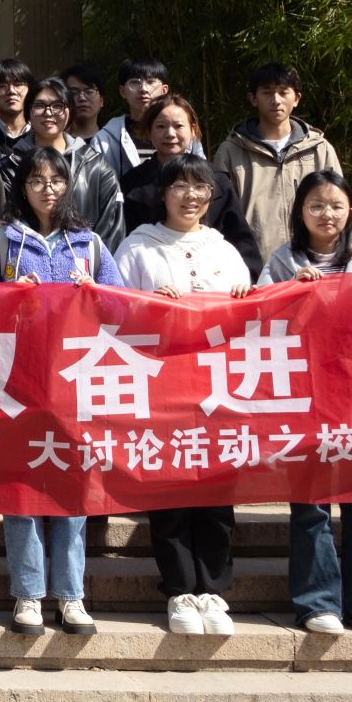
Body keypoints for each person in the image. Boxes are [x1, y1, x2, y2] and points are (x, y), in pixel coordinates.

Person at [0, 146, 122, 637]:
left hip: (76, 383)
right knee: (23, 490)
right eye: (37, 180)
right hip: (18, 383)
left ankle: (71, 596)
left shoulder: (88, 243)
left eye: (56, 180)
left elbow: (121, 308)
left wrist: (92, 291)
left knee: (73, 489)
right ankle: (28, 594)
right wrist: (9, 294)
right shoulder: (0, 240)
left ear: (68, 185)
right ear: (23, 187)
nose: (47, 188)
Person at [114, 155, 252, 637]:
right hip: (162, 390)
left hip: (217, 391)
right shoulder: (138, 247)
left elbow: (251, 317)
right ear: (163, 192)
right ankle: (178, 591)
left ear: (212, 196)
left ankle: (213, 590)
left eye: (200, 187)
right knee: (170, 492)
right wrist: (148, 306)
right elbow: (113, 311)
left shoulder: (224, 249)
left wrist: (243, 297)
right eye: (180, 186)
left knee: (216, 492)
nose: (190, 196)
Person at [253, 171, 352, 636]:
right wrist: (290, 290)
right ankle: (317, 603)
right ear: (300, 212)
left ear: (350, 212)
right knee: (311, 505)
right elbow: (257, 312)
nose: (326, 214)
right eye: (315, 205)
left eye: (335, 205)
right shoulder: (283, 259)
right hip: (305, 397)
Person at [120, 94, 263, 278]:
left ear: (193, 129)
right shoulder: (133, 182)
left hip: (213, 277)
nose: (170, 134)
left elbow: (239, 238)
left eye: (178, 126)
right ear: (149, 130)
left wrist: (248, 281)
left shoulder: (216, 180)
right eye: (161, 126)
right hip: (154, 279)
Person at [212, 63, 344, 254]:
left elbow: (339, 206)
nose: (276, 100)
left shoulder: (319, 149)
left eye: (283, 92)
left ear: (296, 98)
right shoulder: (231, 151)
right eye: (267, 93)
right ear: (253, 98)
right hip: (252, 262)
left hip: (312, 259)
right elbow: (219, 214)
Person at [9, 78, 125, 249]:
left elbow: (112, 227)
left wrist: (93, 261)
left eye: (58, 106)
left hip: (86, 262)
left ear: (70, 111)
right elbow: (6, 223)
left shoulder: (96, 165)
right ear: (28, 112)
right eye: (40, 105)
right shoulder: (11, 165)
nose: (48, 113)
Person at [94, 57, 201, 176]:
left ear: (164, 90)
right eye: (135, 82)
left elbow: (201, 176)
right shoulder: (106, 139)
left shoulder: (186, 133)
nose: (143, 89)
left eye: (151, 82)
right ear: (122, 91)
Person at [61, 63, 107, 143]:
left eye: (89, 92)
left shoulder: (112, 139)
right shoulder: (57, 141)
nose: (82, 98)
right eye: (74, 93)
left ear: (101, 101)